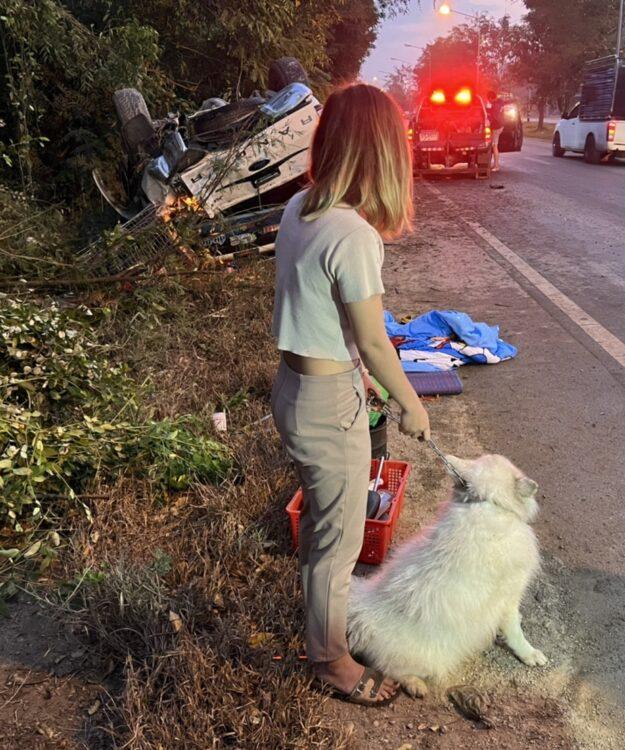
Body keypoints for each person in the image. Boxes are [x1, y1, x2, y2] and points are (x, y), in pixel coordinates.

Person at [270, 83, 431, 707]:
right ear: (380, 153)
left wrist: (358, 372)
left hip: (293, 385)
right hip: (327, 403)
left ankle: (324, 630)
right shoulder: (355, 235)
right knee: (338, 543)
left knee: (321, 524)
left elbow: (315, 308)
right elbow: (374, 340)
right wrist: (410, 403)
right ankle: (331, 660)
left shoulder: (299, 208)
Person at [486, 90, 504, 172]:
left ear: (491, 98)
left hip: (497, 127)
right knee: (494, 146)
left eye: (489, 100)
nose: (489, 101)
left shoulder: (495, 106)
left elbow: (494, 117)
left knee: (494, 146)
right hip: (501, 126)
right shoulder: (500, 102)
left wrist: (488, 122)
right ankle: (495, 165)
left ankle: (496, 166)